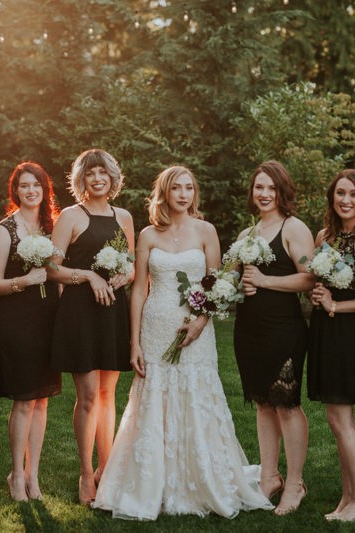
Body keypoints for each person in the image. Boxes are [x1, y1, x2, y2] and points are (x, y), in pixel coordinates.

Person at [92, 165, 273, 520]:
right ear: (165, 193)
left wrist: (201, 322)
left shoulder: (206, 231)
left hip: (194, 329)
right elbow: (140, 288)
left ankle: (201, 478)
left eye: (189, 188)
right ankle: (151, 483)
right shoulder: (147, 234)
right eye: (176, 188)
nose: (183, 194)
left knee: (196, 395)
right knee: (153, 399)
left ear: (195, 193)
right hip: (156, 327)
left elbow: (216, 284)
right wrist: (134, 343)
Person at [48, 149, 135, 505]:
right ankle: (86, 475)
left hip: (113, 310)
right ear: (81, 179)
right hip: (80, 312)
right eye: (90, 173)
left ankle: (106, 469)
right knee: (86, 395)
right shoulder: (71, 216)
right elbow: (52, 269)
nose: (97, 179)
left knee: (107, 394)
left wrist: (123, 275)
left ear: (112, 177)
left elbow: (131, 264)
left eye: (103, 173)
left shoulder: (124, 216)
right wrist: (87, 276)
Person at [232, 161, 314, 515]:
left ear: (282, 191)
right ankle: (269, 476)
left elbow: (310, 278)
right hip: (249, 328)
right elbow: (235, 281)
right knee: (263, 402)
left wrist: (265, 281)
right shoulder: (246, 235)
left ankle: (295, 483)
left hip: (283, 327)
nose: (264, 194)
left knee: (286, 401)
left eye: (271, 188)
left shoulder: (293, 228)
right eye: (258, 188)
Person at [308, 169, 355, 522]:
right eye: (340, 193)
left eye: (353, 194)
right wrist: (319, 294)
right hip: (325, 327)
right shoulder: (326, 235)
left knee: (342, 419)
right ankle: (347, 498)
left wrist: (337, 305)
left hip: (348, 329)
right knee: (334, 419)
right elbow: (318, 278)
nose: (345, 200)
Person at [0, 161, 62, 501]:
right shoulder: (6, 230)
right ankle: (16, 474)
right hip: (17, 321)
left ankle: (33, 475)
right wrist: (26, 280)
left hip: (49, 318)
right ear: (15, 191)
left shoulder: (52, 226)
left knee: (42, 401)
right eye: (23, 186)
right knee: (24, 401)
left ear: (45, 189)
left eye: (36, 185)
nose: (30, 190)